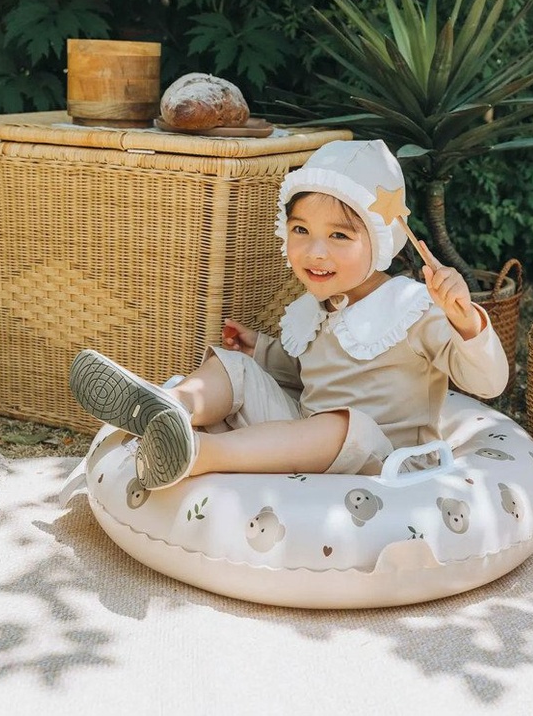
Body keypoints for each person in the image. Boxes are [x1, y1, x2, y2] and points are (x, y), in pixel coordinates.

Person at [69, 139, 509, 490]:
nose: (315, 252)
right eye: (301, 230)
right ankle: (169, 408)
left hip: (382, 458)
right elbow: (306, 372)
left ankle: (198, 453)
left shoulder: (410, 307)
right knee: (235, 368)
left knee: (347, 426)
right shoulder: (314, 306)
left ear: (379, 240)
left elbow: (489, 383)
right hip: (305, 432)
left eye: (339, 236)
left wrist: (466, 322)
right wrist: (260, 352)